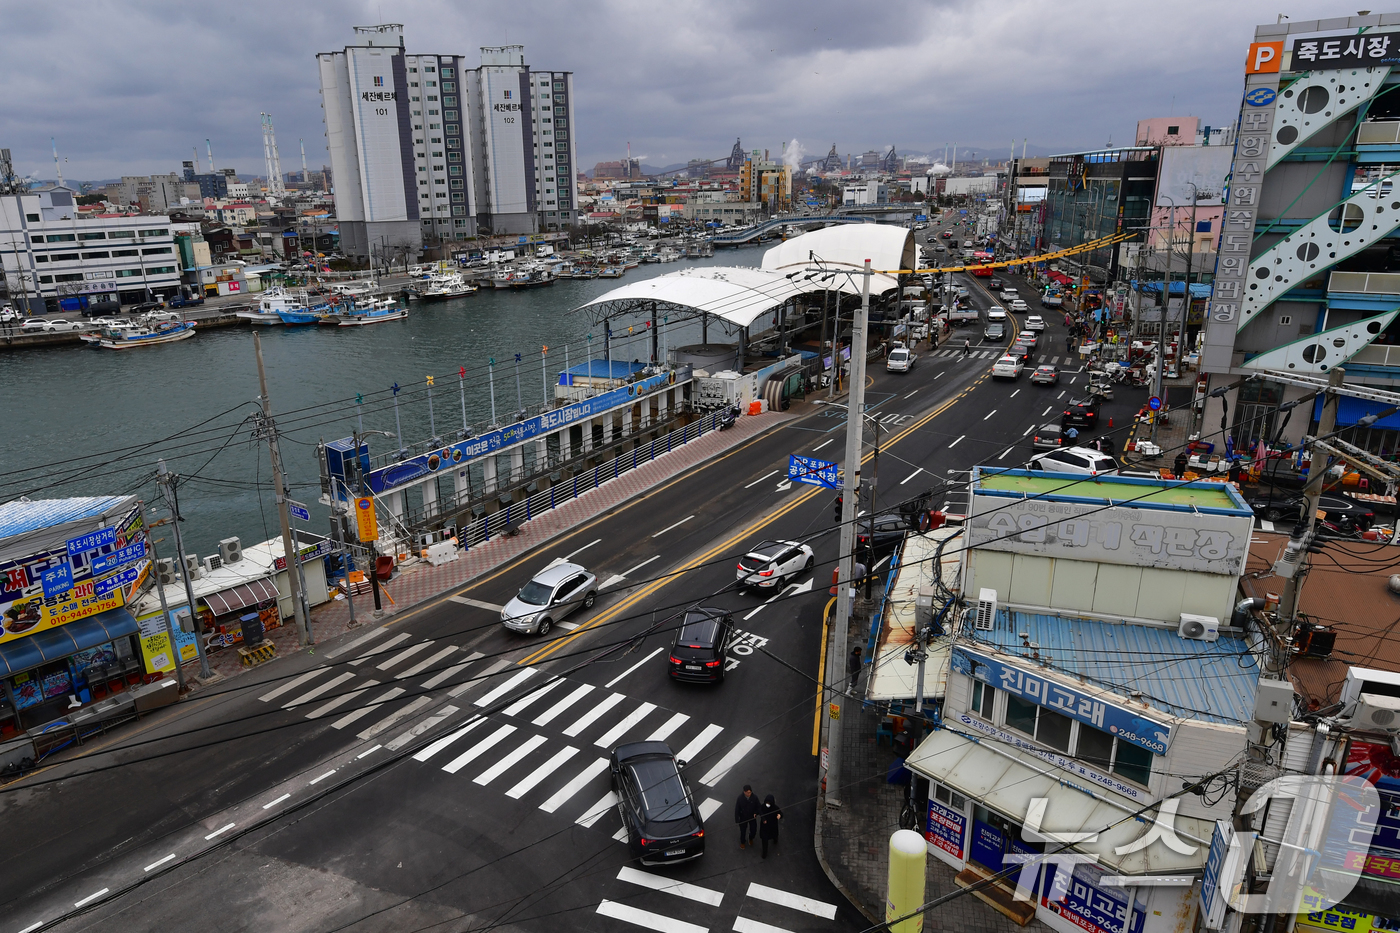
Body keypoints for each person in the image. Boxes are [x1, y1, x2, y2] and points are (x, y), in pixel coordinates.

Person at [735, 785, 761, 849]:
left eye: (750, 792)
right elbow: (737, 809)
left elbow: (758, 807)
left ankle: (751, 837)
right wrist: (737, 819)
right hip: (743, 817)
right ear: (744, 792)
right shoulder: (740, 798)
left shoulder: (754, 797)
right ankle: (743, 842)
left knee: (753, 830)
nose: (749, 794)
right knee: (743, 831)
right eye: (748, 792)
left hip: (752, 816)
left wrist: (756, 813)